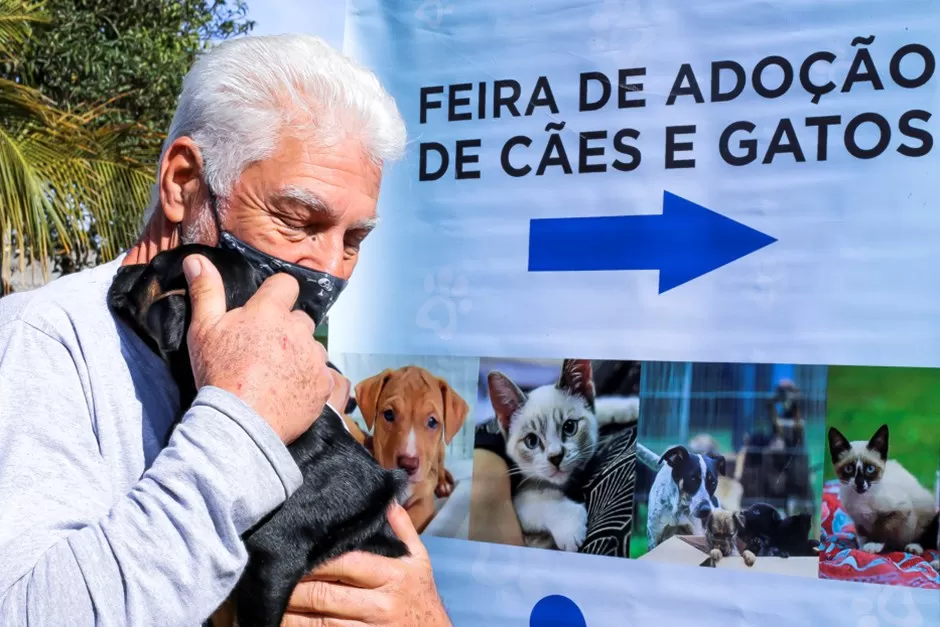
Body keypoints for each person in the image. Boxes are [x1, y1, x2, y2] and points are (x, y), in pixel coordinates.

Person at [0, 34, 450, 627]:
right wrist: (241, 422)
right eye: (297, 219)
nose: (329, 267)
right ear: (184, 182)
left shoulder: (305, 373)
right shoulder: (49, 341)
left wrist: (424, 617)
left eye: (354, 240)